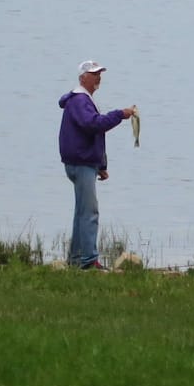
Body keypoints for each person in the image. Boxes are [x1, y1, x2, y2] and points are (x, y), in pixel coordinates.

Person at [58, 60, 135, 270]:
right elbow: (92, 125)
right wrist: (119, 114)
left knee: (81, 212)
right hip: (80, 164)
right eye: (94, 74)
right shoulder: (80, 100)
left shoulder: (81, 99)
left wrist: (100, 165)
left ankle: (75, 259)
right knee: (90, 212)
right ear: (83, 77)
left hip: (83, 162)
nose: (98, 77)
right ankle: (89, 261)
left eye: (99, 73)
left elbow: (90, 131)